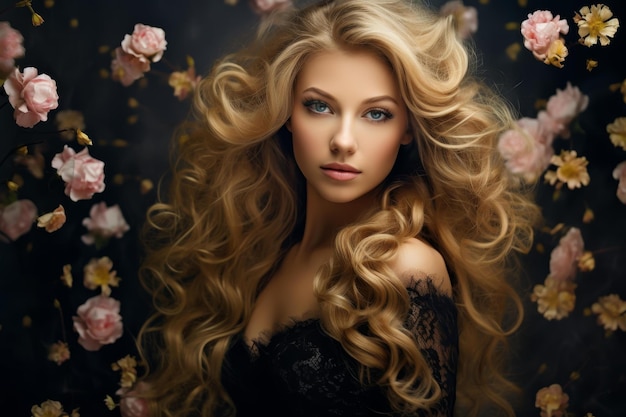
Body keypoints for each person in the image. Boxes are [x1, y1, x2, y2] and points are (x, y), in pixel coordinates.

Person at [137, 0, 539, 416]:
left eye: (377, 114)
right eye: (320, 106)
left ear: (408, 129)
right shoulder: (268, 256)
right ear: (287, 112)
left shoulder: (406, 267)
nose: (344, 140)